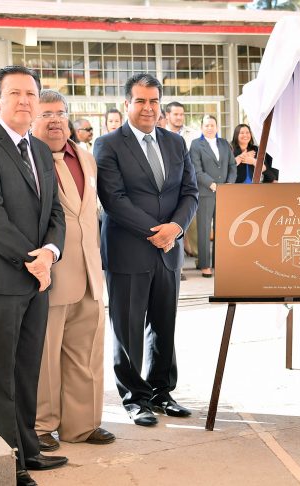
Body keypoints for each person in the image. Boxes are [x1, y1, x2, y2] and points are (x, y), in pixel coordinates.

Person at [0, 65, 68, 486]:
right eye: (15, 93)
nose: (25, 100)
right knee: (1, 373)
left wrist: (51, 253)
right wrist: (34, 259)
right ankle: (10, 460)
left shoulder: (40, 149)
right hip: (0, 278)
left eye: (31, 94)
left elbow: (55, 212)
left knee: (28, 369)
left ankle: (31, 448)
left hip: (37, 277)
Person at [94, 73, 198, 428]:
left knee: (164, 325)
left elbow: (190, 192)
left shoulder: (175, 143)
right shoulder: (108, 145)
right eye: (140, 101)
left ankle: (161, 392)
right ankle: (134, 397)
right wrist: (156, 232)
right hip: (128, 250)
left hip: (169, 251)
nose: (148, 108)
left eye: (154, 101)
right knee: (127, 329)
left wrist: (176, 228)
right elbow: (114, 200)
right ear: (127, 105)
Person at [30, 90, 115, 453]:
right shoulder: (26, 158)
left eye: (60, 113)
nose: (55, 120)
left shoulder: (84, 155)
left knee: (86, 353)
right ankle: (41, 425)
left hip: (90, 273)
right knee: (45, 357)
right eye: (46, 113)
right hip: (50, 274)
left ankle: (82, 426)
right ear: (33, 120)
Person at [190, 114, 236, 278]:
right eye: (206, 125)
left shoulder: (224, 144)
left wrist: (229, 184)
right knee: (203, 230)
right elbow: (196, 170)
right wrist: (212, 184)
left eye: (212, 125)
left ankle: (219, 263)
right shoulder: (196, 145)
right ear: (202, 128)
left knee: (221, 229)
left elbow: (232, 165)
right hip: (205, 193)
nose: (210, 128)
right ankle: (204, 265)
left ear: (217, 127)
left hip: (224, 193)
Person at [165, 101, 201, 265]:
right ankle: (178, 267)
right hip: (169, 188)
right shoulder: (159, 135)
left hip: (188, 186)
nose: (179, 117)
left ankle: (196, 257)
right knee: (172, 225)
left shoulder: (193, 134)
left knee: (189, 225)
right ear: (167, 115)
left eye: (181, 114)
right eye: (176, 114)